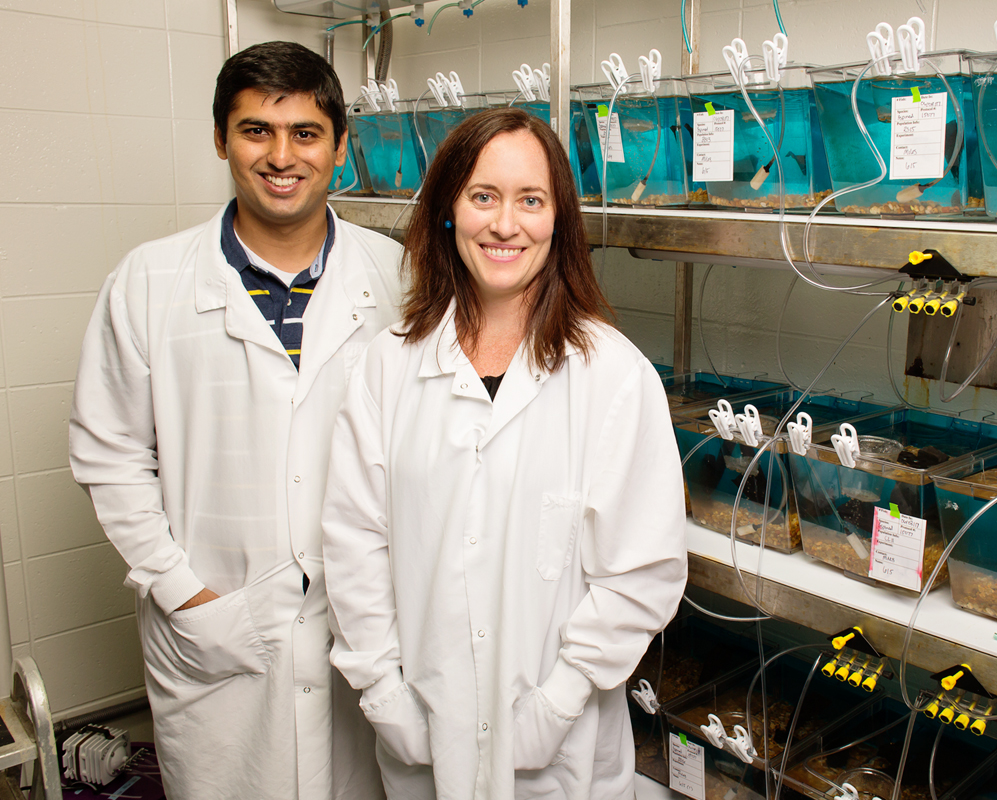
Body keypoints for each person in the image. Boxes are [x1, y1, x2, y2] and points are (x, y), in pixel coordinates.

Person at [321, 107, 689, 799]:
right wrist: (382, 693)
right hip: (422, 730)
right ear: (448, 212)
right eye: (483, 196)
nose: (504, 224)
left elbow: (642, 569)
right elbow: (353, 542)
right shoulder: (389, 367)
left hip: (562, 751)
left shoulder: (612, 373)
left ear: (559, 220)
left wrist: (558, 702)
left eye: (531, 200)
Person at [68, 41, 399, 800]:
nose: (282, 156)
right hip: (219, 631)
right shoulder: (149, 282)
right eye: (256, 131)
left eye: (306, 134)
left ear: (340, 147)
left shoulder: (398, 276)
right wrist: (183, 592)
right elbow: (107, 454)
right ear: (221, 139)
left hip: (365, 627)